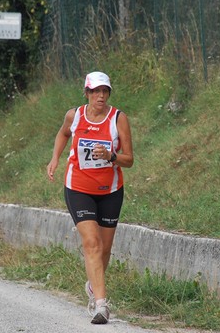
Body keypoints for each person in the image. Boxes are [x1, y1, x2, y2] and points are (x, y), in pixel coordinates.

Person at [46, 71, 134, 324]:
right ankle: (101, 305)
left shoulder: (118, 119)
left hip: (110, 191)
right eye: (96, 91)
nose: (101, 96)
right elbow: (63, 134)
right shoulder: (74, 116)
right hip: (78, 188)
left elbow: (129, 159)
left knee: (104, 249)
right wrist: (54, 158)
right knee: (92, 244)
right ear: (86, 93)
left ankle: (93, 284)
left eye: (105, 91)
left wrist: (111, 157)